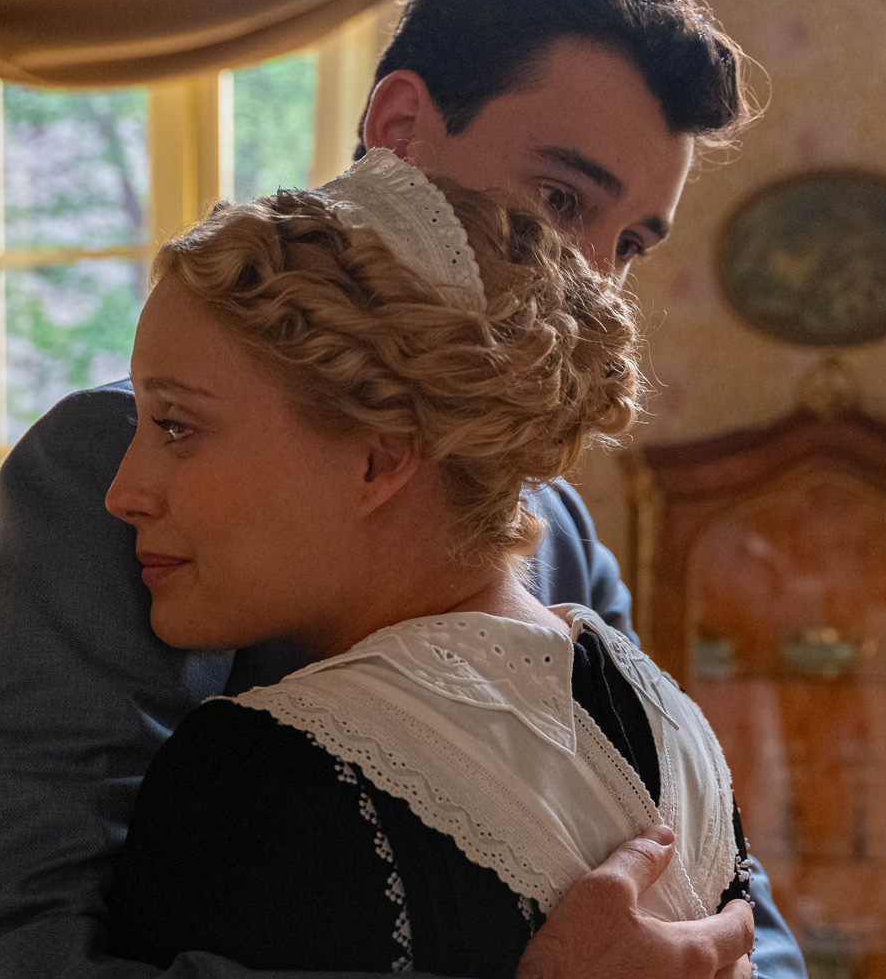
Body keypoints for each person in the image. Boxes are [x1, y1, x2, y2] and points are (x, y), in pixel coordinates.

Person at [0, 0, 807, 979]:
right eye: (560, 199)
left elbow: (730, 911)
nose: (592, 282)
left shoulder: (549, 521)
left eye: (631, 245)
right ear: (400, 127)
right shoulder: (103, 465)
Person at [103, 152, 750, 977]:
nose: (122, 493)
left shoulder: (256, 780)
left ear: (378, 460)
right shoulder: (676, 726)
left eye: (177, 427)